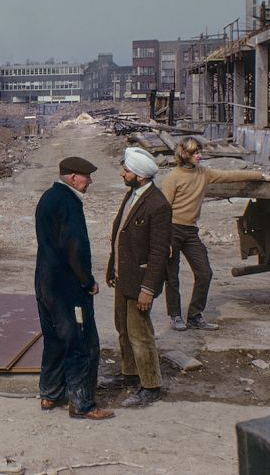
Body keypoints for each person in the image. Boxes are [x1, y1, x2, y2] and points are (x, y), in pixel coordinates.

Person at [162, 137, 270, 331]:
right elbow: (163, 210)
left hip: (191, 231)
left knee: (204, 273)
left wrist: (261, 176)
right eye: (195, 153)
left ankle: (194, 316)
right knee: (172, 275)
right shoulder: (172, 178)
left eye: (199, 152)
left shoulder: (204, 173)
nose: (199, 156)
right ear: (184, 155)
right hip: (172, 230)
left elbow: (231, 175)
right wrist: (163, 239)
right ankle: (175, 315)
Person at [34, 156, 114, 421]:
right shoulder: (69, 203)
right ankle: (82, 403)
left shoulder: (48, 197)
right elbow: (75, 247)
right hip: (67, 286)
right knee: (82, 342)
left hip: (45, 282)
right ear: (72, 177)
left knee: (54, 338)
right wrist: (87, 281)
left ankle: (50, 394)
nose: (89, 181)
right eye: (86, 176)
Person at [103, 147, 170, 408]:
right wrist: (112, 269)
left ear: (140, 176)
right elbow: (120, 235)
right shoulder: (131, 195)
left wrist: (148, 289)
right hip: (124, 279)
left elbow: (159, 252)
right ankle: (129, 375)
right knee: (123, 329)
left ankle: (151, 385)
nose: (123, 173)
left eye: (127, 170)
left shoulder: (158, 204)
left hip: (140, 283)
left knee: (140, 334)